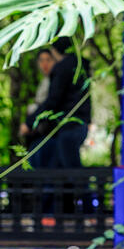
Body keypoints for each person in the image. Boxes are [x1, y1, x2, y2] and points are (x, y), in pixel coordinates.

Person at [21, 37, 92, 168]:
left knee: (71, 172)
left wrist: (29, 122)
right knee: (56, 168)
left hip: (68, 126)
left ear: (54, 52)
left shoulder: (62, 68)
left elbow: (52, 101)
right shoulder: (81, 65)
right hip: (75, 124)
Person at [20, 49, 56, 168]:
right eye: (41, 60)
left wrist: (30, 121)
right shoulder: (44, 81)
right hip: (39, 133)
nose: (44, 64)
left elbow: (49, 104)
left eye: (48, 60)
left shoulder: (55, 80)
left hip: (51, 133)